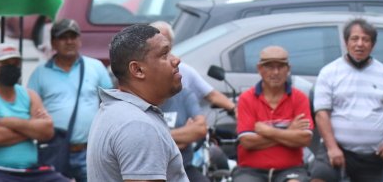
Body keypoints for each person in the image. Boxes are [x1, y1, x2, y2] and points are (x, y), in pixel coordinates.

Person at [87, 24, 188, 182]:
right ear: (138, 70)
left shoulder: (117, 111)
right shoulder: (137, 125)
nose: (176, 60)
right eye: (164, 54)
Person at [313, 18, 383, 182]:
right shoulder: (329, 72)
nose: (360, 44)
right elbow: (321, 114)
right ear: (346, 42)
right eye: (355, 39)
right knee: (319, 178)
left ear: (372, 45)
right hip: (336, 150)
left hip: (374, 156)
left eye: (365, 39)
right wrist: (332, 148)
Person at [27, 19, 114, 182]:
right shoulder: (40, 74)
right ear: (53, 43)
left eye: (73, 37)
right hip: (54, 152)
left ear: (79, 40)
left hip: (90, 152)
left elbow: (111, 105)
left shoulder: (95, 67)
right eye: (63, 37)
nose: (69, 41)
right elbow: (29, 111)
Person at [0, 44, 63, 182]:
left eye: (16, 63)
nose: (11, 67)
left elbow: (47, 132)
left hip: (32, 171)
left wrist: (10, 122)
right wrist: (32, 130)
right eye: (5, 64)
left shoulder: (30, 95)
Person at [233, 46, 314, 182]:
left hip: (291, 169)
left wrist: (267, 131)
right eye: (269, 67)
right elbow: (247, 141)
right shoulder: (246, 98)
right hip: (250, 171)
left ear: (288, 69)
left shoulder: (300, 98)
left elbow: (304, 139)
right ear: (259, 69)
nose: (275, 72)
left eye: (281, 67)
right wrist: (289, 132)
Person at [150, 21, 237, 114]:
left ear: (171, 44)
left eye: (164, 41)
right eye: (156, 41)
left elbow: (212, 95)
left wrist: (235, 110)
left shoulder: (184, 71)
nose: (160, 45)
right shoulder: (142, 71)